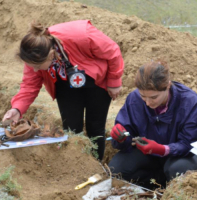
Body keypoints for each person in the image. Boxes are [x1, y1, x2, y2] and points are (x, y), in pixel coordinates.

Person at [1, 20, 124, 161]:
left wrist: (114, 81)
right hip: (65, 85)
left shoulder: (81, 35)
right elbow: (29, 86)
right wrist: (17, 109)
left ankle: (97, 164)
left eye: (38, 66)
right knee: (71, 130)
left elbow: (113, 51)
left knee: (95, 129)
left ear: (52, 55)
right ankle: (76, 163)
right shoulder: (33, 56)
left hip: (96, 82)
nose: (34, 70)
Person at [108, 60, 197, 188]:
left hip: (179, 156)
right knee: (116, 168)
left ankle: (172, 192)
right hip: (146, 154)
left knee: (179, 170)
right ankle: (152, 187)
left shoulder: (189, 102)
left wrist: (162, 149)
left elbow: (190, 144)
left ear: (168, 86)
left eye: (154, 97)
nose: (147, 103)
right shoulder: (134, 99)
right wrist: (120, 138)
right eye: (143, 96)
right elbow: (126, 135)